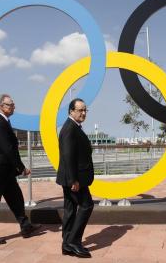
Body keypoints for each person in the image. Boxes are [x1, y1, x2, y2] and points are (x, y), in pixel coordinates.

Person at [0, 94, 40, 245]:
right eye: (10, 105)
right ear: (1, 106)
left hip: (5, 172)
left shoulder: (4, 121)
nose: (13, 107)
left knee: (16, 198)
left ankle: (25, 226)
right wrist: (22, 168)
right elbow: (8, 149)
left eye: (13, 104)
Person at [57, 98, 94, 258]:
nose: (84, 113)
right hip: (74, 179)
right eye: (80, 110)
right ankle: (74, 241)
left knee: (70, 210)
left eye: (85, 110)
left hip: (72, 178)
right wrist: (73, 180)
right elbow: (67, 156)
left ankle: (67, 244)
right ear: (71, 111)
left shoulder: (73, 127)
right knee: (87, 205)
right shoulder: (70, 128)